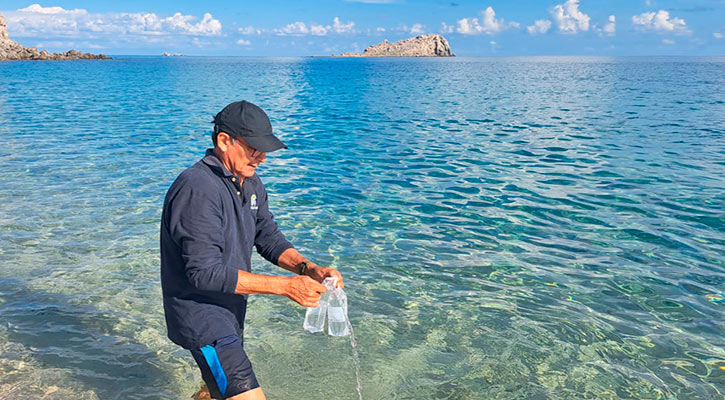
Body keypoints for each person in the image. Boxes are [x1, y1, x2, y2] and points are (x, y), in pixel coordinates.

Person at [160, 100, 344, 400]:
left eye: (264, 151)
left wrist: (306, 268)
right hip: (202, 316)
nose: (262, 158)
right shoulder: (196, 187)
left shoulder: (249, 183)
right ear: (224, 141)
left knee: (215, 390)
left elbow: (267, 236)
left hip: (230, 309)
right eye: (254, 149)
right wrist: (286, 287)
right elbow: (203, 273)